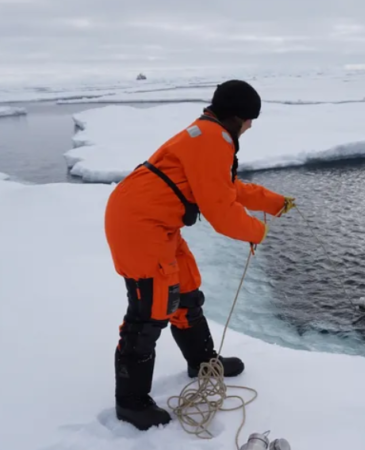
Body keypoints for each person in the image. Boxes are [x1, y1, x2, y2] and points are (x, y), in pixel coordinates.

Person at [103, 79, 296, 431]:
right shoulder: (212, 140)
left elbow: (226, 187)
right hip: (139, 224)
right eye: (251, 118)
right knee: (148, 313)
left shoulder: (210, 135)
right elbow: (222, 213)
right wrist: (258, 231)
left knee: (186, 293)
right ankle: (130, 402)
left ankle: (202, 361)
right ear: (238, 116)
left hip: (158, 223)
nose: (252, 125)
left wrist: (274, 203)